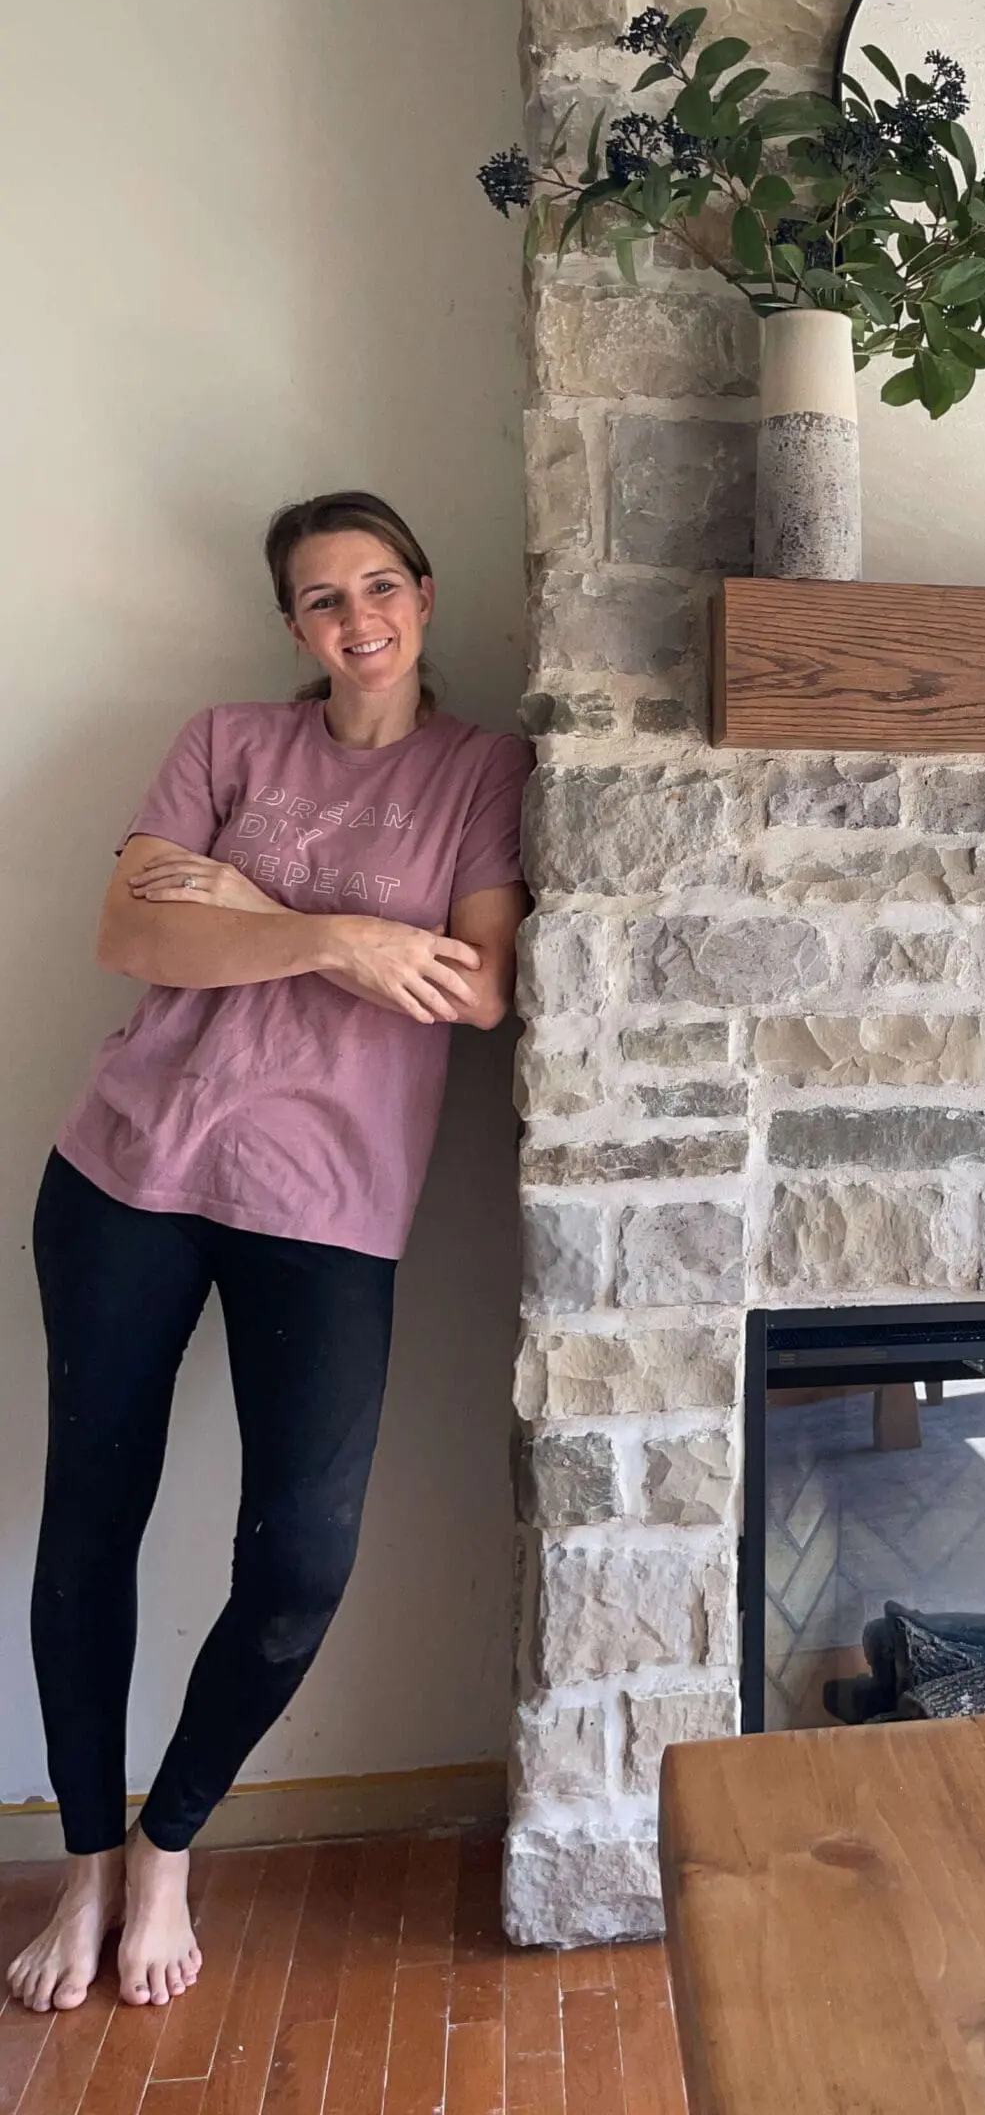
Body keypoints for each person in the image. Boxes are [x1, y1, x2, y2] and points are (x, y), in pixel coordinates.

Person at [6, 492, 532, 2015]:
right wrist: (334, 936)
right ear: (290, 625)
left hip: (329, 1201)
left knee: (300, 1562)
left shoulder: (482, 771)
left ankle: (169, 1841)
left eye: (379, 586)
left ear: (424, 596)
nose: (356, 618)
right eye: (321, 598)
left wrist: (249, 903)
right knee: (89, 1527)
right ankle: (86, 1862)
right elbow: (134, 934)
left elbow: (476, 989)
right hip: (126, 1172)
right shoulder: (228, 742)